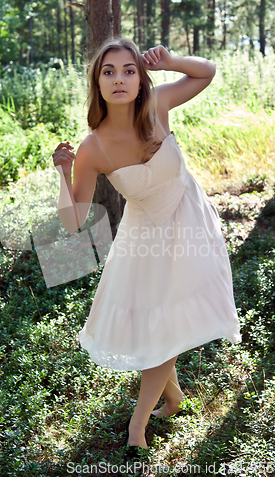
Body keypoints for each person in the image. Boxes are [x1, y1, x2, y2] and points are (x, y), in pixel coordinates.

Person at [52, 37, 241, 456]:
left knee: (166, 325)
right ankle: (171, 396)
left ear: (141, 79)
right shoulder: (92, 147)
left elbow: (206, 72)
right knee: (154, 324)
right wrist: (64, 173)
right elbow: (72, 221)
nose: (119, 79)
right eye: (109, 71)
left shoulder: (157, 104)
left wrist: (171, 60)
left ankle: (138, 425)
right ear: (97, 84)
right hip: (144, 238)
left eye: (128, 70)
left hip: (189, 222)